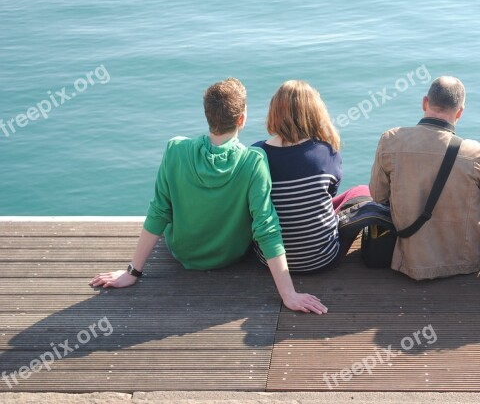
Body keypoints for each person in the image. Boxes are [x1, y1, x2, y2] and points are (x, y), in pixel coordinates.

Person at [90, 78, 327, 314]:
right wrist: (289, 294)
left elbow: (159, 211)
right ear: (241, 119)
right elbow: (266, 227)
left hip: (181, 251)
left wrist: (132, 272)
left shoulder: (175, 150)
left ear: (207, 115)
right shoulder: (253, 161)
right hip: (229, 256)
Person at [369, 76, 480, 280]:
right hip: (467, 260)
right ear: (460, 112)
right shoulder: (477, 153)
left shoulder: (391, 141)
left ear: (424, 103)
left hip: (411, 260)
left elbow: (377, 195)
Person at [252, 80, 371, 273]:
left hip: (269, 259)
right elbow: (329, 194)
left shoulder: (256, 153)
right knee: (362, 191)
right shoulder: (326, 152)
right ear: (315, 112)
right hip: (322, 259)